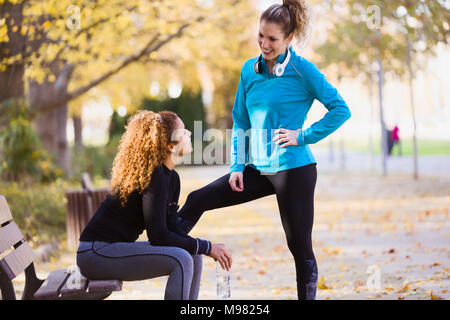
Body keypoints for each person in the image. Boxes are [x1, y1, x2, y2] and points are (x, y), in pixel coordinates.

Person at [177, 0, 351, 300]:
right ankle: (166, 251)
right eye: (261, 36)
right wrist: (236, 166)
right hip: (257, 169)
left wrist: (303, 135)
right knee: (197, 199)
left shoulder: (303, 71)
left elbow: (340, 109)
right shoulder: (249, 70)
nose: (264, 44)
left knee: (298, 245)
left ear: (288, 39)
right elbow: (241, 120)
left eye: (272, 39)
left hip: (294, 169)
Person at [76, 110, 232, 300]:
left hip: (110, 250)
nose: (189, 133)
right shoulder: (153, 176)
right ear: (169, 145)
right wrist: (207, 246)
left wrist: (203, 246)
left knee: (192, 255)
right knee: (181, 259)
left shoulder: (171, 178)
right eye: (183, 132)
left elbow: (171, 230)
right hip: (95, 253)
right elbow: (158, 235)